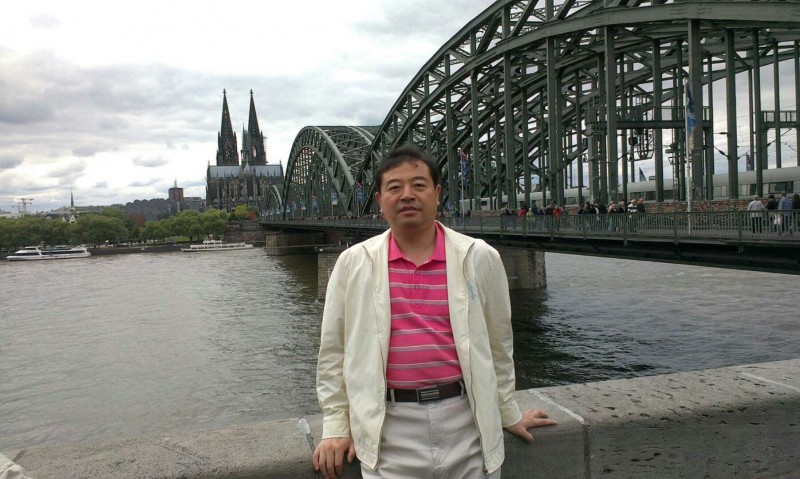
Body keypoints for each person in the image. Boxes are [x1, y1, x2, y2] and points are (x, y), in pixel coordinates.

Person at [312, 144, 556, 479]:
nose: (407, 195)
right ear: (380, 200)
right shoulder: (353, 263)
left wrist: (507, 411)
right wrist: (336, 426)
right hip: (387, 429)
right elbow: (334, 352)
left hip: (467, 425)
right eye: (394, 187)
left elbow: (498, 345)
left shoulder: (479, 257)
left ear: (437, 194)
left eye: (419, 185)